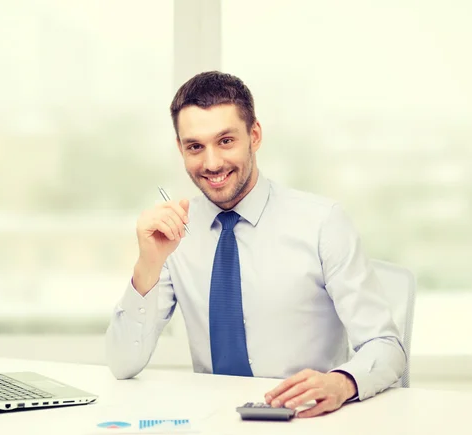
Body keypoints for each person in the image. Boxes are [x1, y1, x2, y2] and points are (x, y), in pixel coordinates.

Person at [105, 71, 406, 418]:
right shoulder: (175, 233)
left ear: (255, 135)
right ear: (180, 149)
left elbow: (386, 346)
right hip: (214, 421)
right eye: (195, 147)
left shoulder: (323, 223)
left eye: (226, 141)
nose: (212, 163)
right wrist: (148, 265)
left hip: (306, 420)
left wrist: (341, 382)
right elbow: (122, 364)